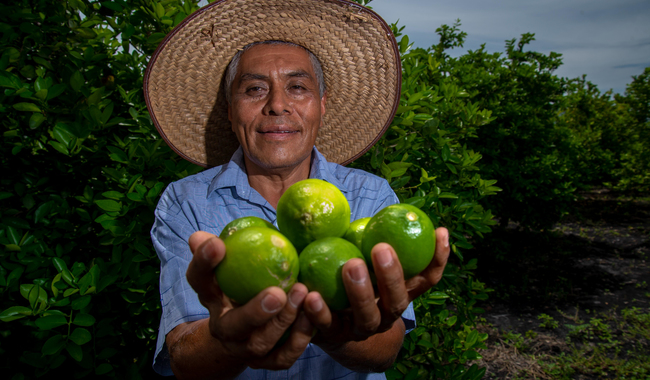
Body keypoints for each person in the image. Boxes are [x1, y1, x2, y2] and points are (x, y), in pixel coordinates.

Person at [145, 1, 450, 379]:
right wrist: (228, 343)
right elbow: (182, 352)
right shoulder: (185, 202)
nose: (277, 105)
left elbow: (386, 348)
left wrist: (337, 334)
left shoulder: (371, 197)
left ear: (321, 106)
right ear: (230, 109)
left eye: (297, 87)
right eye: (255, 88)